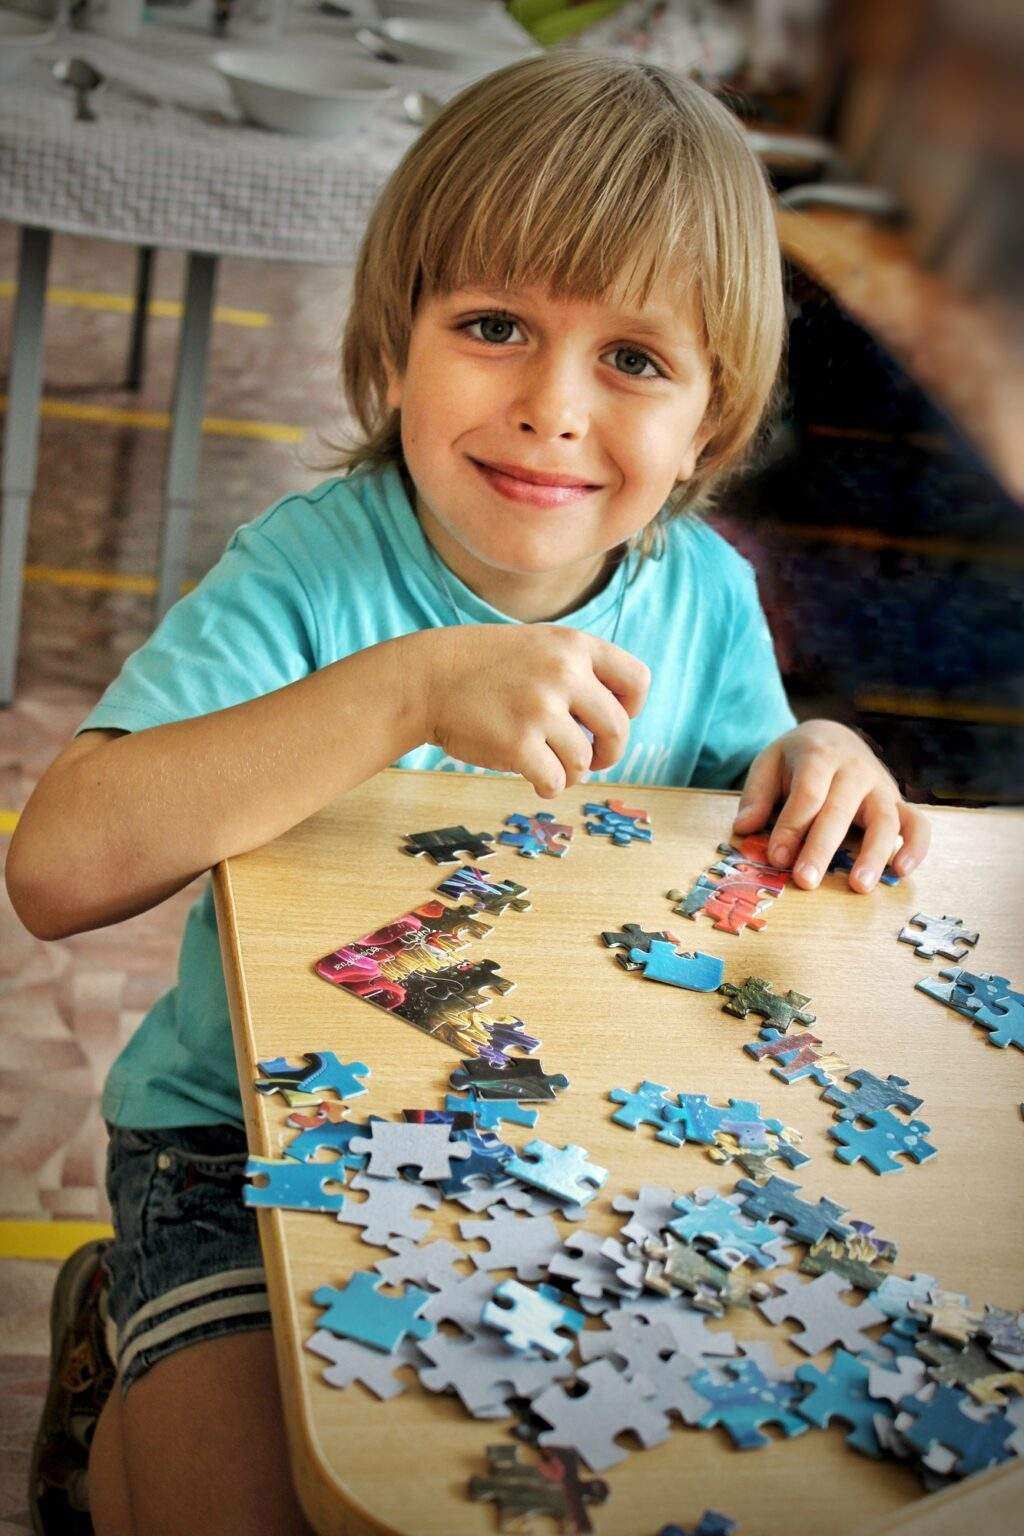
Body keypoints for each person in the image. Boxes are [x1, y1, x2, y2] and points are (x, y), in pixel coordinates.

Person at [9, 49, 930, 1536]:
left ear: (711, 420)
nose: (552, 407)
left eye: (635, 360)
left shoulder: (704, 598)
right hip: (236, 1149)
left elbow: (758, 803)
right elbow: (56, 872)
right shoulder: (307, 572)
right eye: (495, 327)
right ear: (396, 346)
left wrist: (823, 756)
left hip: (570, 1154)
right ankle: (109, 1352)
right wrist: (407, 691)